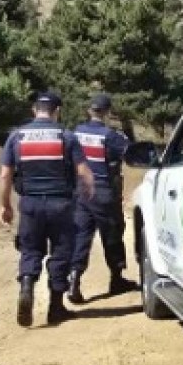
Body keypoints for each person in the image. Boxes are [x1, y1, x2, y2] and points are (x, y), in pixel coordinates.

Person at [0, 91, 94, 327]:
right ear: (57, 111)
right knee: (61, 253)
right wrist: (88, 194)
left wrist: (5, 205)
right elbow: (83, 172)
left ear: (34, 110)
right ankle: (55, 307)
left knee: (30, 249)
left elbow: (5, 174)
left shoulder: (17, 137)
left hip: (30, 203)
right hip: (61, 204)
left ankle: (27, 285)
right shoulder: (66, 136)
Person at [68, 93, 137, 304]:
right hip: (104, 191)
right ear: (107, 112)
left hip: (80, 192)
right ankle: (116, 279)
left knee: (81, 236)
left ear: (89, 111)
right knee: (113, 236)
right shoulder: (110, 135)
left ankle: (74, 279)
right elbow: (131, 152)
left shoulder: (76, 132)